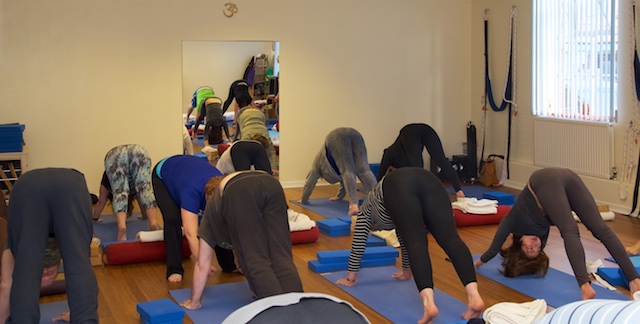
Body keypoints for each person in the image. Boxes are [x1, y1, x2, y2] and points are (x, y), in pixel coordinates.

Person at [336, 168, 484, 323]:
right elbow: (403, 235)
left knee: (417, 242)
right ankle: (474, 298)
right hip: (428, 179)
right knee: (451, 239)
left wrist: (351, 277)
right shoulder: (392, 211)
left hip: (397, 183)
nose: (378, 229)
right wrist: (406, 271)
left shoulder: (364, 212)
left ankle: (429, 305)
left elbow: (358, 241)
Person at [474, 168, 640, 300]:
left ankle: (584, 286)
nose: (535, 246)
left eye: (529, 249)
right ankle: (634, 280)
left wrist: (478, 262)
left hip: (544, 180)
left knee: (570, 231)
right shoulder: (540, 239)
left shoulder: (511, 222)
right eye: (537, 250)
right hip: (569, 178)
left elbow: (494, 249)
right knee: (599, 230)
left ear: (518, 246)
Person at [180, 170, 303, 310]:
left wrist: (195, 302)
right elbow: (242, 249)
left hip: (240, 189)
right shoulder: (229, 206)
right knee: (281, 256)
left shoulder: (211, 213)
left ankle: (279, 312)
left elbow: (202, 265)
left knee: (257, 260)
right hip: (271, 183)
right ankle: (298, 307)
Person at [5, 168, 98, 323]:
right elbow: (80, 270)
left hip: (28, 188)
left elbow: (7, 284)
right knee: (79, 264)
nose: (46, 272)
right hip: (70, 186)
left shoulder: (15, 244)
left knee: (25, 270)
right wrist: (80, 313)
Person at [152, 154, 231, 282]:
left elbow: (226, 225)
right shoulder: (191, 192)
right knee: (173, 220)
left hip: (189, 170)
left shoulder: (225, 189)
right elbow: (190, 232)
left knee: (217, 219)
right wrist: (202, 263)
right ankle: (174, 269)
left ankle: (229, 264)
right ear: (206, 198)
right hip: (164, 174)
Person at [299, 127, 378, 216]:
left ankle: (354, 206)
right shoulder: (338, 167)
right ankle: (379, 202)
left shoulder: (316, 165)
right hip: (355, 133)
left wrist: (303, 200)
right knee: (364, 170)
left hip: (335, 136)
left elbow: (309, 183)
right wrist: (338, 197)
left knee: (350, 170)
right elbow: (344, 181)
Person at [92, 144, 161, 241]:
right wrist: (145, 216)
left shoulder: (107, 178)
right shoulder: (133, 188)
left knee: (120, 191)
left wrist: (95, 218)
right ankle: (153, 222)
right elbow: (141, 197)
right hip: (139, 151)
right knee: (144, 189)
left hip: (115, 155)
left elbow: (101, 201)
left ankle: (122, 227)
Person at [378, 123, 465, 198]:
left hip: (409, 132)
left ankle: (458, 191)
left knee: (424, 165)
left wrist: (376, 189)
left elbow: (380, 176)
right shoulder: (403, 166)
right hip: (426, 129)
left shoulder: (388, 154)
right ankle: (459, 191)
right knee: (434, 162)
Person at [235, 96, 279, 175]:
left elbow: (271, 152)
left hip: (259, 115)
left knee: (238, 135)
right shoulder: (246, 137)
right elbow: (241, 152)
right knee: (239, 136)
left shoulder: (265, 136)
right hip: (243, 115)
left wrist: (273, 168)